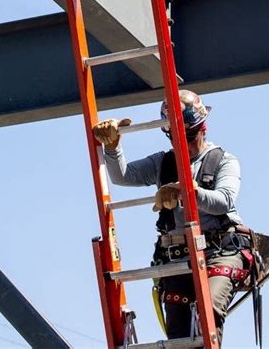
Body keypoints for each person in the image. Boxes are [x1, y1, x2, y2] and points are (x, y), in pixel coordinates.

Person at [93, 89, 252, 345]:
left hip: (220, 251)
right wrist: (112, 148)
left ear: (203, 128)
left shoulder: (223, 160)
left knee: (208, 311)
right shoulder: (164, 163)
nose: (184, 144)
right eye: (175, 137)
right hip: (177, 256)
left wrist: (186, 191)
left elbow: (224, 201)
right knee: (178, 333)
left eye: (189, 135)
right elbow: (123, 176)